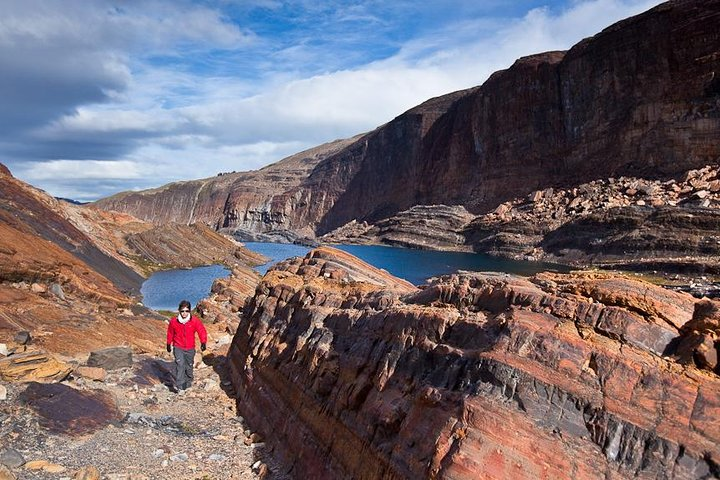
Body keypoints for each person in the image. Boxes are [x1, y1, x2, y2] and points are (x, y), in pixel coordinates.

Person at [166, 300, 207, 392]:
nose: (184, 313)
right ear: (179, 311)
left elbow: (201, 331)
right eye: (182, 311)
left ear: (189, 311)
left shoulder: (194, 321)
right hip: (178, 347)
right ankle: (180, 386)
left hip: (190, 348)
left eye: (186, 311)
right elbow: (170, 333)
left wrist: (203, 342)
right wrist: (168, 344)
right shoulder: (174, 321)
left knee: (189, 366)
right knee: (180, 365)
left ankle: (188, 383)